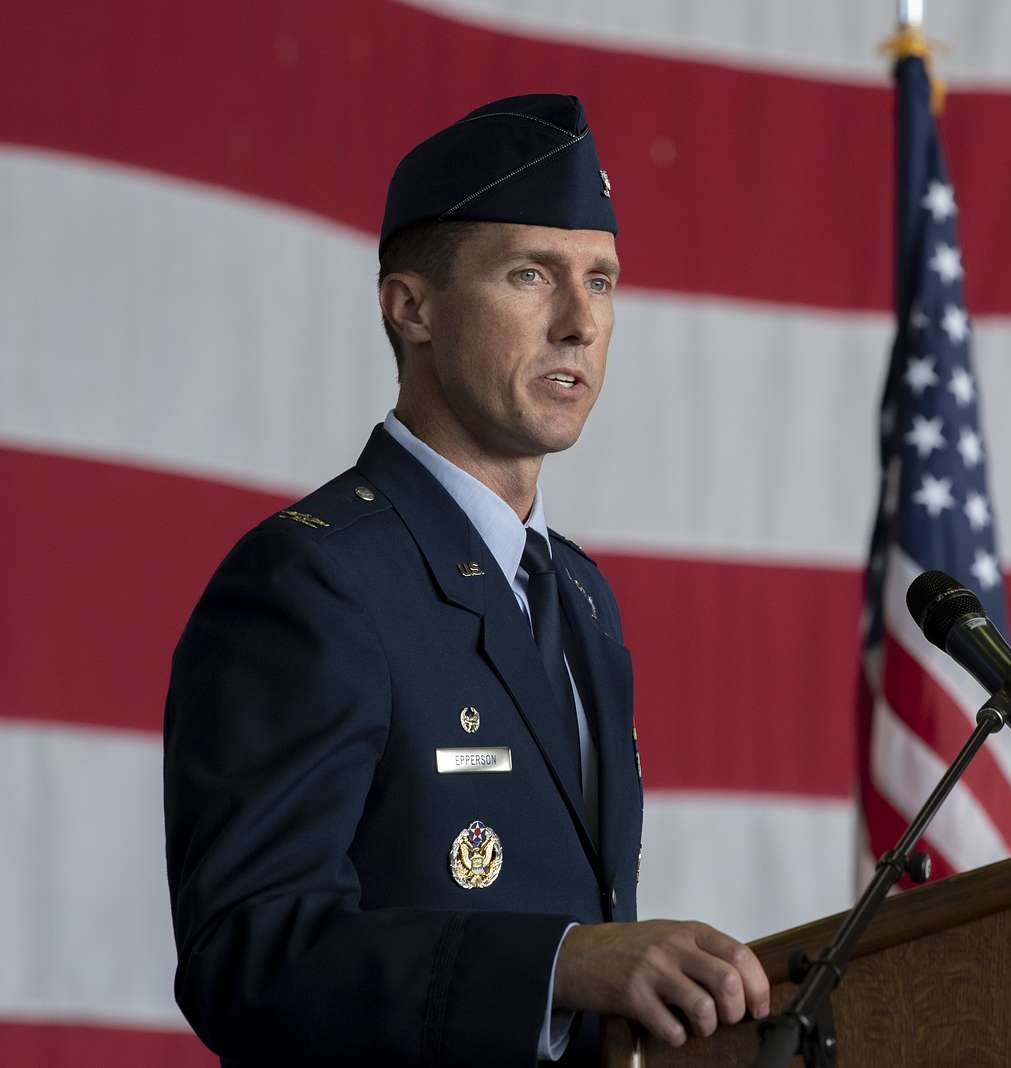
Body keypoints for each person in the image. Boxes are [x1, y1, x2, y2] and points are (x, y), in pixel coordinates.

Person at [163, 93, 769, 1065]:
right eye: (532, 274)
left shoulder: (577, 595)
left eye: (602, 281)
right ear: (412, 308)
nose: (578, 323)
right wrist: (558, 965)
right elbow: (246, 957)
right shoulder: (313, 581)